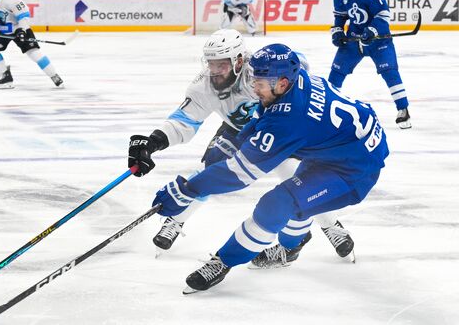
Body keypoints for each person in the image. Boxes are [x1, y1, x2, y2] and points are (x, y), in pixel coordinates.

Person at [150, 43, 389, 293]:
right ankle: (293, 245)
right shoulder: (296, 79)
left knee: (278, 203)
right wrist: (241, 139)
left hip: (355, 168)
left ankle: (224, 261)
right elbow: (265, 115)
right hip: (339, 146)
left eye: (260, 83)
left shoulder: (289, 121)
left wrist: (186, 189)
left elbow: (239, 175)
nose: (254, 88)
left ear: (282, 83)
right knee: (297, 197)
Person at [128, 29, 356, 265]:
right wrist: (153, 141)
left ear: (239, 60)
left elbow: (298, 67)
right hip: (238, 131)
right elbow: (183, 121)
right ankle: (176, 219)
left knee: (299, 179)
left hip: (277, 130)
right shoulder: (203, 87)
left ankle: (330, 224)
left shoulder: (262, 71)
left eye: (221, 64)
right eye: (211, 64)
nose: (214, 71)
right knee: (208, 172)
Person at [329, 0, 411, 129]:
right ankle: (326, 109)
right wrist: (337, 31)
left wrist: (372, 31)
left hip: (378, 39)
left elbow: (383, 15)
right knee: (336, 72)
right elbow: (340, 17)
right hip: (354, 38)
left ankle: (403, 109)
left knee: (390, 72)